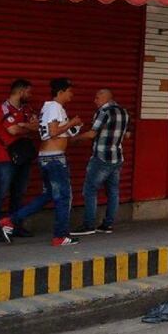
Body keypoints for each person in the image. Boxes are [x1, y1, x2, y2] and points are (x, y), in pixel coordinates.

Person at [0, 78, 83, 246]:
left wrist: (74, 129)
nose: (72, 95)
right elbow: (53, 132)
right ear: (60, 92)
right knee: (63, 197)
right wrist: (72, 122)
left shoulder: (49, 107)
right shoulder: (55, 107)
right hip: (55, 159)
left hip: (48, 158)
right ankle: (60, 235)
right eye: (69, 91)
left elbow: (56, 132)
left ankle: (10, 221)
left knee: (49, 195)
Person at [72, 89, 131, 235]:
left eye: (97, 97)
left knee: (90, 190)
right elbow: (127, 135)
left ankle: (89, 225)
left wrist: (75, 139)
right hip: (117, 157)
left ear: (106, 98)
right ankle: (107, 225)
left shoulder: (103, 112)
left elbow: (92, 133)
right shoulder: (124, 112)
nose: (95, 100)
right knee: (113, 192)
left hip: (101, 157)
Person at [0, 79, 40, 242]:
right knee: (1, 195)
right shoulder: (3, 108)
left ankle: (14, 226)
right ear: (20, 91)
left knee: (19, 193)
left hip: (23, 156)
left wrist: (24, 125)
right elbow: (13, 129)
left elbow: (37, 126)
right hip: (4, 158)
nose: (30, 95)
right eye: (29, 92)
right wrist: (26, 126)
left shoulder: (27, 108)